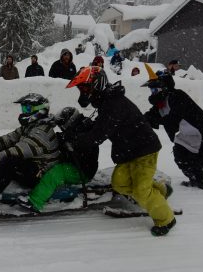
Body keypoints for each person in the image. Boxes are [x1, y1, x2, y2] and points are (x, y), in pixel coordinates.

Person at [69, 68, 176, 236]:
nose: (84, 93)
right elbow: (100, 124)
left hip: (144, 150)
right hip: (129, 152)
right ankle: (159, 191)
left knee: (141, 191)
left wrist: (75, 141)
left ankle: (166, 219)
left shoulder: (114, 104)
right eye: (81, 89)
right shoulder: (107, 101)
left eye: (85, 88)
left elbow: (99, 135)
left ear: (96, 85)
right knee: (120, 183)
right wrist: (81, 127)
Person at [142, 65, 203, 190]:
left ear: (164, 87)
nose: (153, 93)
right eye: (152, 91)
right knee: (183, 156)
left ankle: (202, 179)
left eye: (155, 90)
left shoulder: (176, 96)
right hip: (189, 134)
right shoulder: (161, 103)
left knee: (193, 160)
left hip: (202, 131)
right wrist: (138, 121)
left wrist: (158, 119)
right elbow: (151, 116)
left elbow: (173, 118)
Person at [17, 107, 99, 212]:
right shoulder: (78, 127)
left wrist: (67, 139)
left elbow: (79, 146)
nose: (61, 127)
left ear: (69, 121)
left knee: (56, 173)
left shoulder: (84, 130)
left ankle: (35, 202)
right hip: (74, 163)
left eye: (62, 124)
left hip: (82, 170)